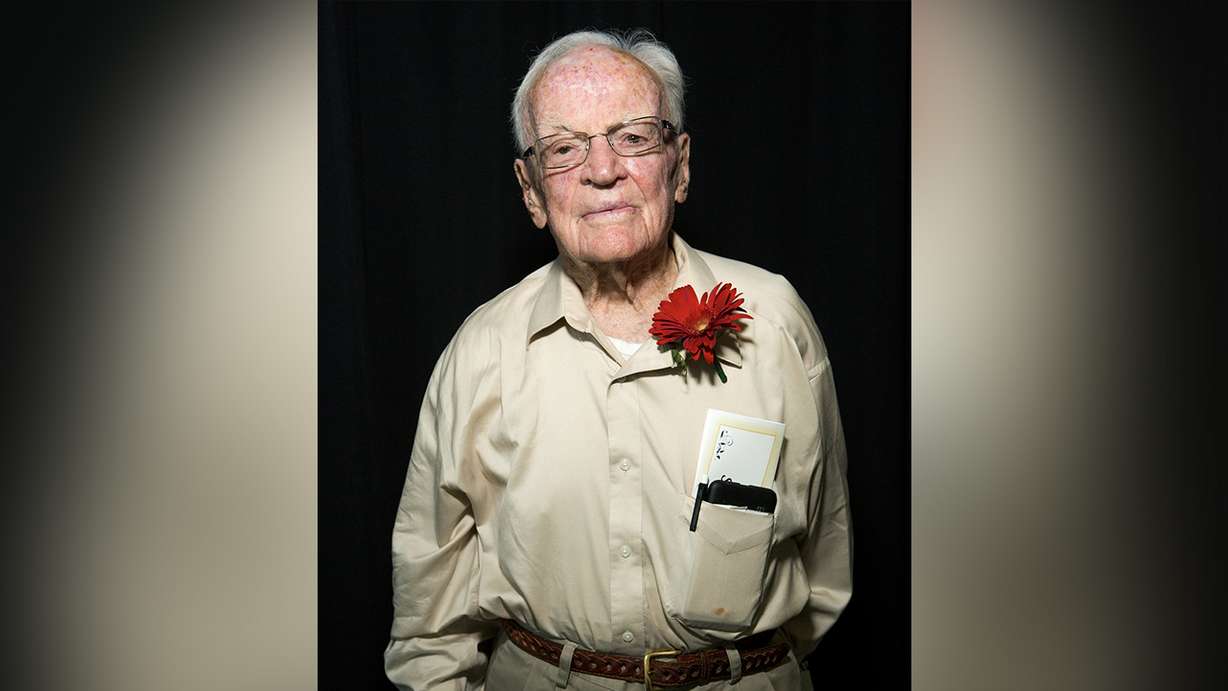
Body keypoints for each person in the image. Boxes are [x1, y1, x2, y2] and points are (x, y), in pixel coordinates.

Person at [385, 29, 851, 690]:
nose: (602, 170)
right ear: (531, 190)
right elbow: (429, 625)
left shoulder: (774, 323)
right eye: (563, 148)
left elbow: (826, 559)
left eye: (632, 137)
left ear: (680, 166)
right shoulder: (480, 352)